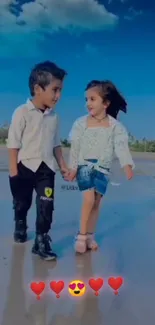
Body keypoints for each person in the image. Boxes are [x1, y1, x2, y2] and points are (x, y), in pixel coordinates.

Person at [7, 61, 69, 261]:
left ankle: (41, 240)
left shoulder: (55, 117)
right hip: (24, 168)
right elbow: (13, 144)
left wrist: (63, 166)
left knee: (46, 205)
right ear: (37, 89)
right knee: (21, 203)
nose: (58, 95)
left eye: (60, 90)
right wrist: (13, 172)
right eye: (55, 90)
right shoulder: (22, 113)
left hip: (46, 170)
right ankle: (20, 224)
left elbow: (56, 145)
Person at [67, 80, 135, 254]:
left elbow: (121, 147)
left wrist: (126, 165)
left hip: (103, 169)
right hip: (84, 167)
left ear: (106, 103)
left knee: (97, 203)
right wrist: (73, 167)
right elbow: (74, 148)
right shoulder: (80, 123)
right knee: (88, 199)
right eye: (86, 99)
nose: (87, 104)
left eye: (92, 99)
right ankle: (81, 236)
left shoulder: (115, 127)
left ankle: (90, 235)